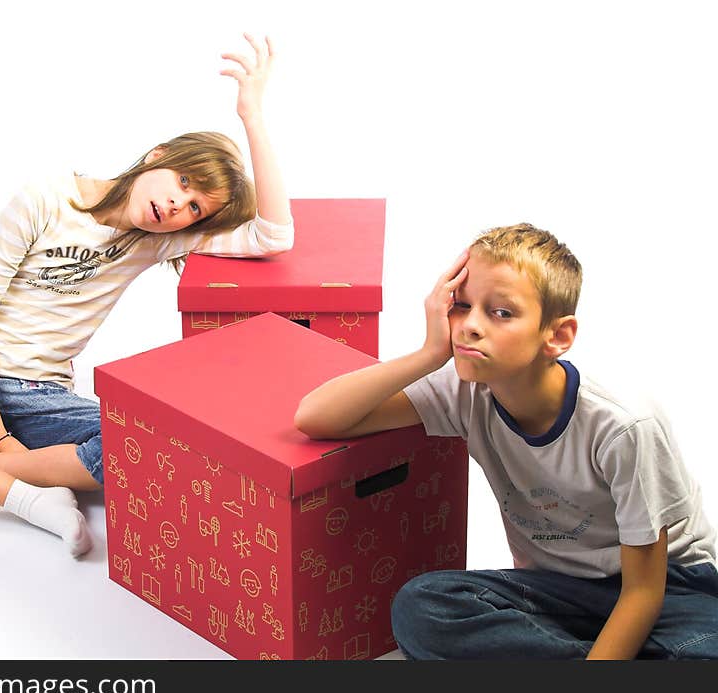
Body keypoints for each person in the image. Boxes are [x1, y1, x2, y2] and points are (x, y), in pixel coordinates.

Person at [0, 34, 292, 558]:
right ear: (157, 156)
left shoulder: (156, 239)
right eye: (183, 181)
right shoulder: (47, 199)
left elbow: (275, 235)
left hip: (40, 397)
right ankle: (27, 498)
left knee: (150, 440)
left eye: (195, 207)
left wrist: (252, 117)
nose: (177, 203)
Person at [294, 223, 718, 659]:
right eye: (461, 305)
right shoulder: (463, 392)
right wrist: (427, 354)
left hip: (672, 590)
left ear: (557, 335)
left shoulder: (623, 426)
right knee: (422, 608)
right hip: (558, 591)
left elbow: (643, 592)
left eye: (501, 313)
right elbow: (316, 417)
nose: (470, 326)